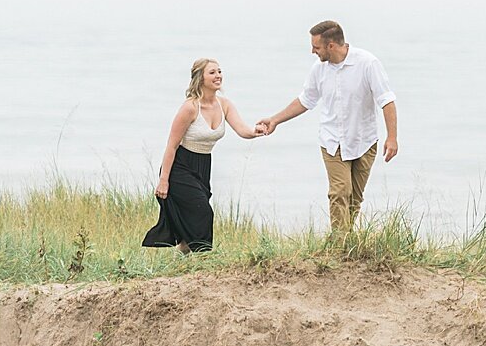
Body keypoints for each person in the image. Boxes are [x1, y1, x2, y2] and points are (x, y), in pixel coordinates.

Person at [257, 21, 397, 233]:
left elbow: (386, 100)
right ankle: (340, 244)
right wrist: (275, 120)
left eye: (316, 47)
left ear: (331, 45)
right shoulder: (319, 70)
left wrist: (392, 137)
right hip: (332, 141)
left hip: (364, 141)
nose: (313, 51)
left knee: (354, 198)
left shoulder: (368, 63)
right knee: (340, 192)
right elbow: (305, 100)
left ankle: (344, 240)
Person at [142, 58, 265, 253]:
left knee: (194, 215)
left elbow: (242, 130)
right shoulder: (190, 108)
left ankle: (182, 256)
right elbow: (171, 146)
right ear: (200, 78)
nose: (218, 76)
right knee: (203, 212)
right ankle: (204, 256)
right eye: (212, 73)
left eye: (219, 71)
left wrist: (256, 131)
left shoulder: (224, 105)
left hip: (203, 166)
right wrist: (163, 180)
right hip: (179, 167)